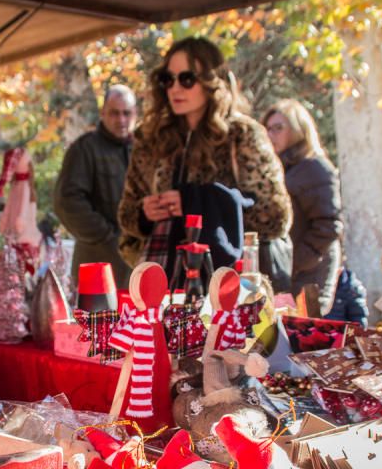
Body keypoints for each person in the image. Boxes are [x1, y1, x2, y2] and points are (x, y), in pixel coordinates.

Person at [117, 37, 291, 280]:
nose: (175, 88)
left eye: (187, 79)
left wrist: (197, 204)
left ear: (212, 81)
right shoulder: (150, 139)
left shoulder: (242, 135)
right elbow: (126, 214)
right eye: (168, 79)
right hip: (162, 280)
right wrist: (145, 213)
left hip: (228, 284)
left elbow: (275, 216)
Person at [264, 99, 343, 313]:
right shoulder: (278, 169)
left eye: (278, 128)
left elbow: (329, 226)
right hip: (285, 273)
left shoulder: (314, 167)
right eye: (268, 129)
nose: (271, 135)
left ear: (298, 129)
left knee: (304, 335)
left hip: (308, 275)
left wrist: (295, 261)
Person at [54, 84, 137, 288]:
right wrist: (108, 237)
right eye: (114, 113)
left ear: (135, 114)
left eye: (126, 113)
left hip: (136, 266)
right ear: (103, 113)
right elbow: (67, 202)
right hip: (97, 264)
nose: (121, 120)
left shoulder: (144, 150)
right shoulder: (85, 149)